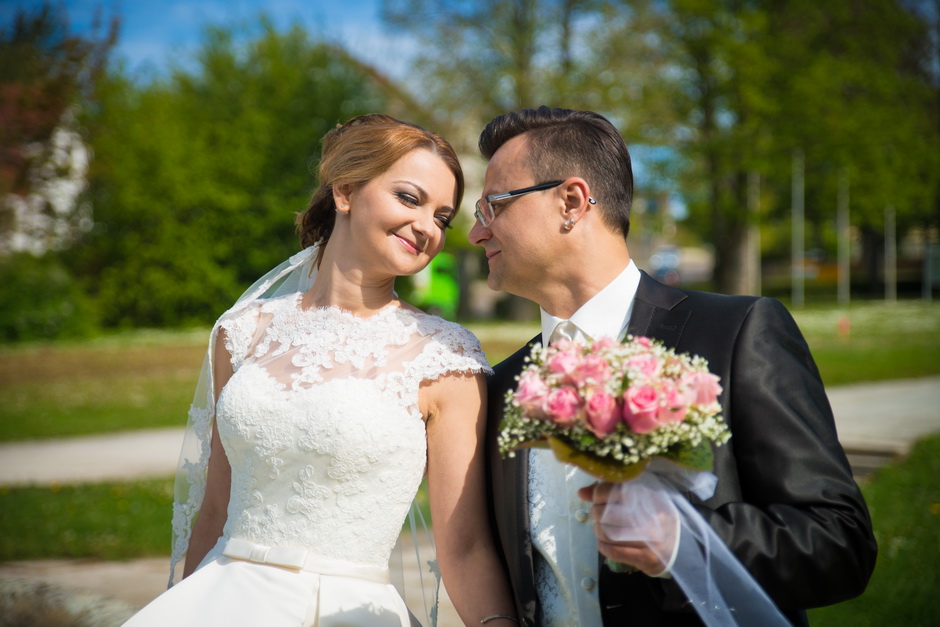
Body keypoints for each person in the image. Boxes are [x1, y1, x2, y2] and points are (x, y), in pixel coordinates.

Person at [469, 106, 877, 626]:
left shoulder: (735, 334)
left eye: (493, 206)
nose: (476, 233)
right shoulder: (503, 385)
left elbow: (841, 543)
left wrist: (686, 543)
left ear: (570, 202)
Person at [125, 114, 517, 626]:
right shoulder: (241, 333)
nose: (427, 228)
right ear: (345, 191)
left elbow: (464, 547)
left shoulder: (446, 357)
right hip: (220, 598)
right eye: (409, 198)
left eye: (442, 217)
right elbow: (216, 508)